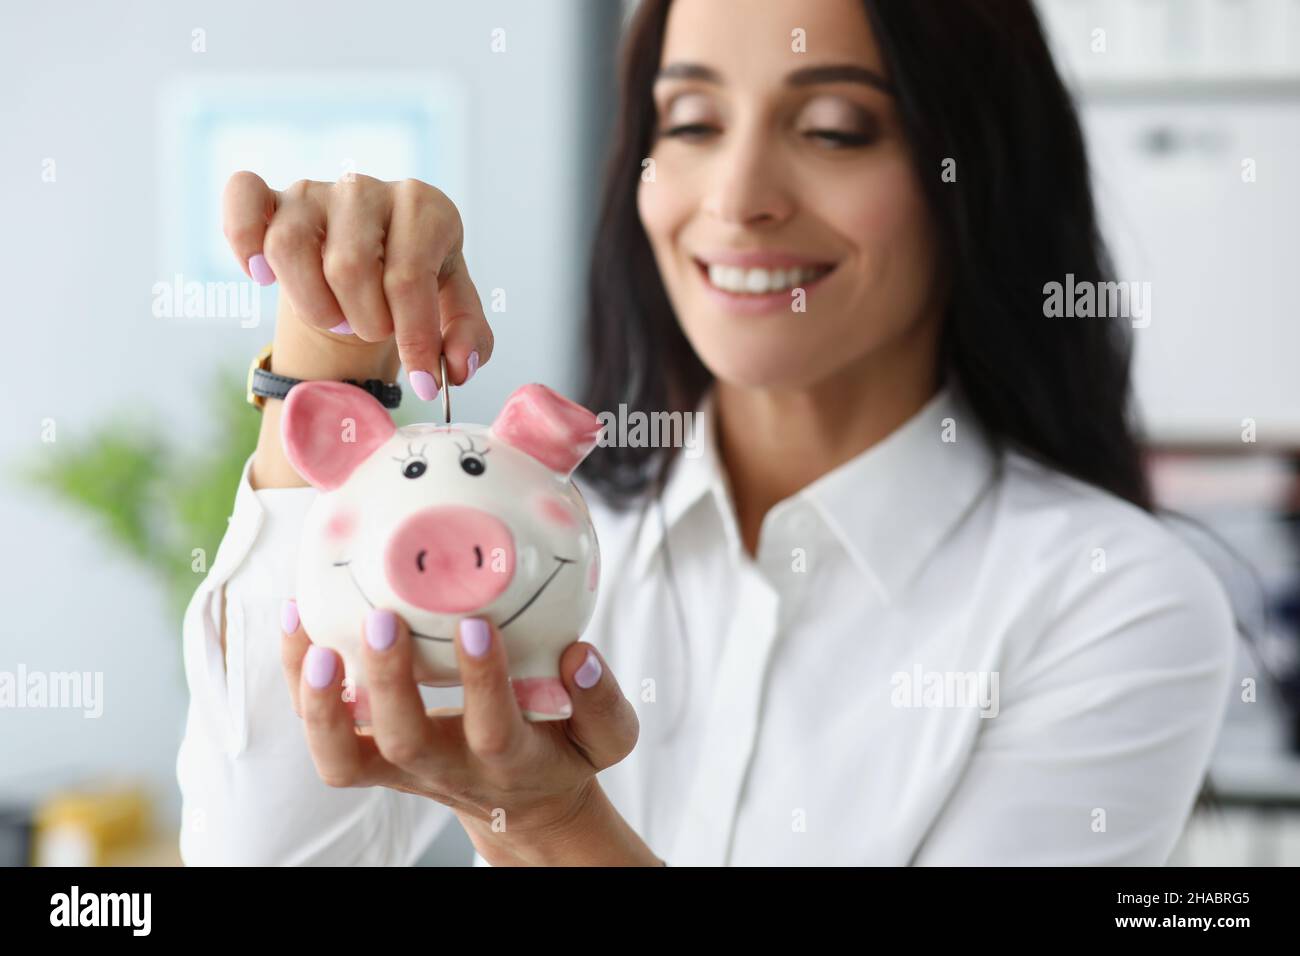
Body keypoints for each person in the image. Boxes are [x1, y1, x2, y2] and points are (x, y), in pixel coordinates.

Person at [177, 0, 1236, 865]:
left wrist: (548, 823)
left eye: (832, 128)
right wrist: (324, 337)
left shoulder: (1112, 599)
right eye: (688, 124)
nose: (736, 199)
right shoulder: (570, 536)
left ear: (973, 170)